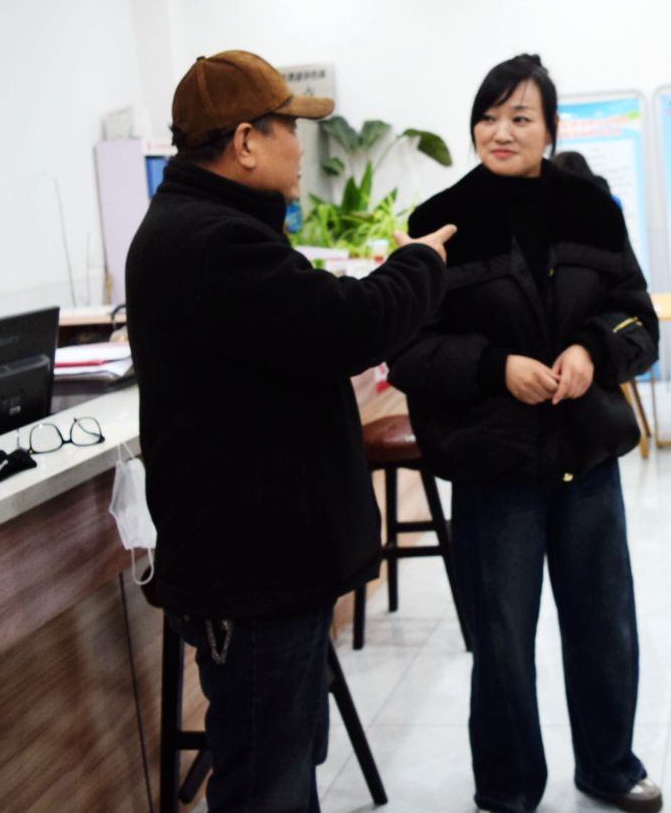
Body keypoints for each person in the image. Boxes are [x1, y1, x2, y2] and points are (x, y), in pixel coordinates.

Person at [125, 49, 455, 813]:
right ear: (245, 141)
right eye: (289, 130)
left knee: (285, 765)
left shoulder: (208, 228)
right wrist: (417, 264)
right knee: (266, 786)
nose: (300, 148)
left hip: (265, 570)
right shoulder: (210, 241)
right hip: (249, 579)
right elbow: (348, 326)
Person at [388, 54, 663, 813]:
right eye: (488, 116)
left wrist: (592, 350)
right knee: (503, 635)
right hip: (494, 462)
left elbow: (639, 318)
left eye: (519, 117)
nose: (500, 131)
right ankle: (508, 786)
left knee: (604, 624)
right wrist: (494, 367)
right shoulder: (441, 220)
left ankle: (610, 767)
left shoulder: (592, 210)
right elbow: (409, 351)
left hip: (585, 452)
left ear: (551, 129)